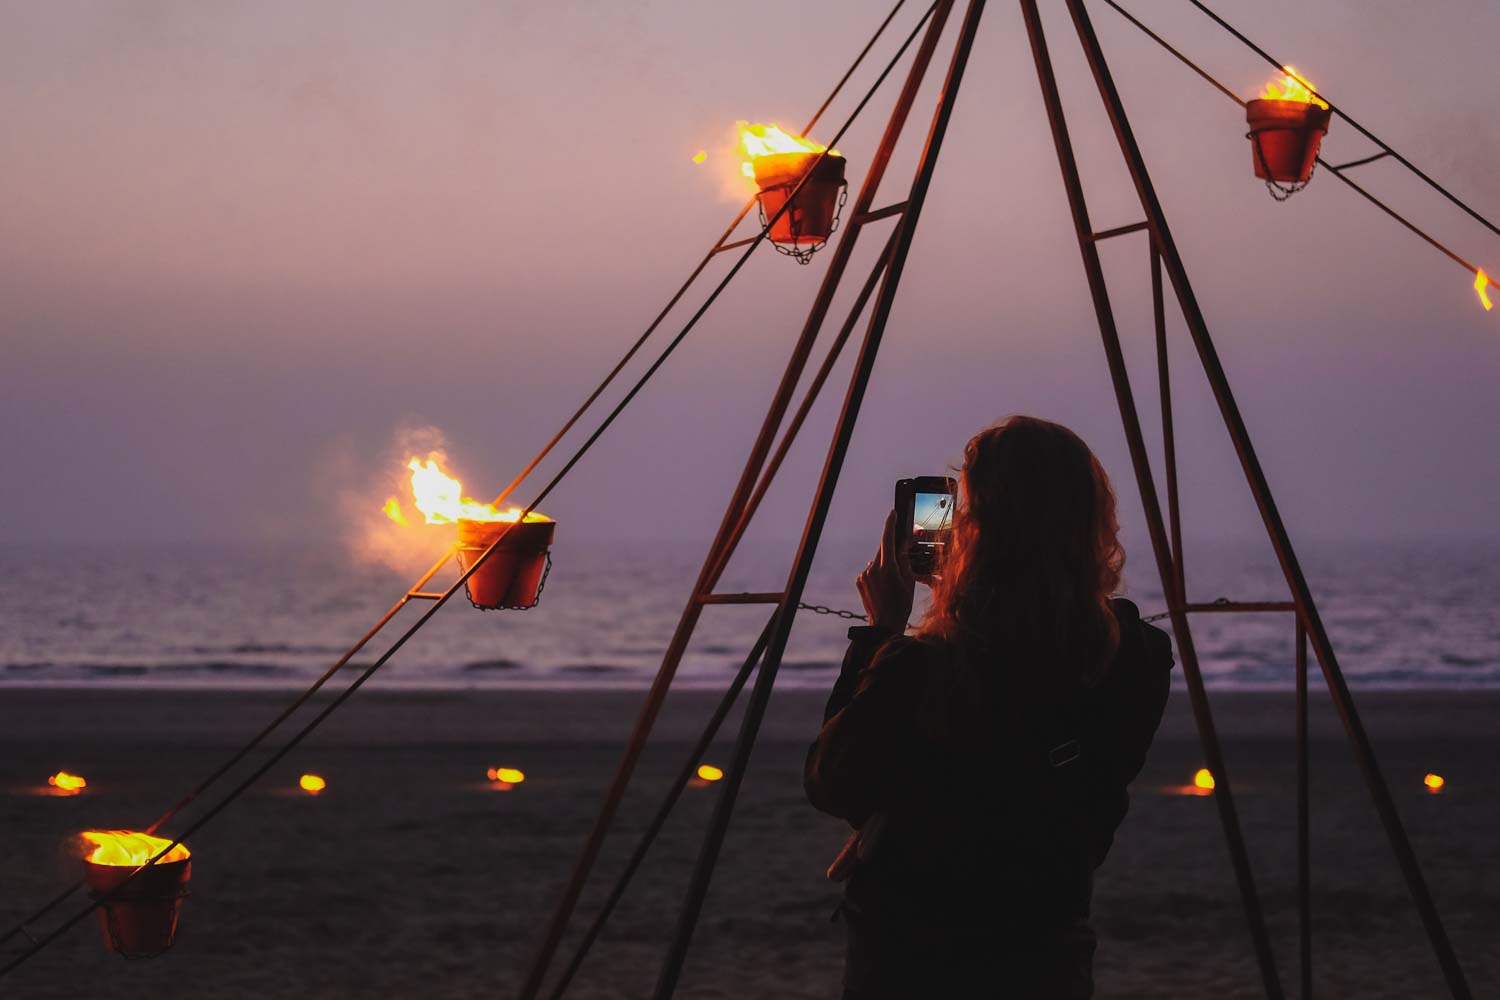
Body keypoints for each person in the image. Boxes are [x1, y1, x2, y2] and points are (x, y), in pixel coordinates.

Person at [805, 416, 1174, 999]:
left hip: (911, 958)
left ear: (975, 533)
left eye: (963, 513)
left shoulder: (922, 666)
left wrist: (882, 633)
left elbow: (832, 782)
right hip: (1047, 949)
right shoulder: (1138, 658)